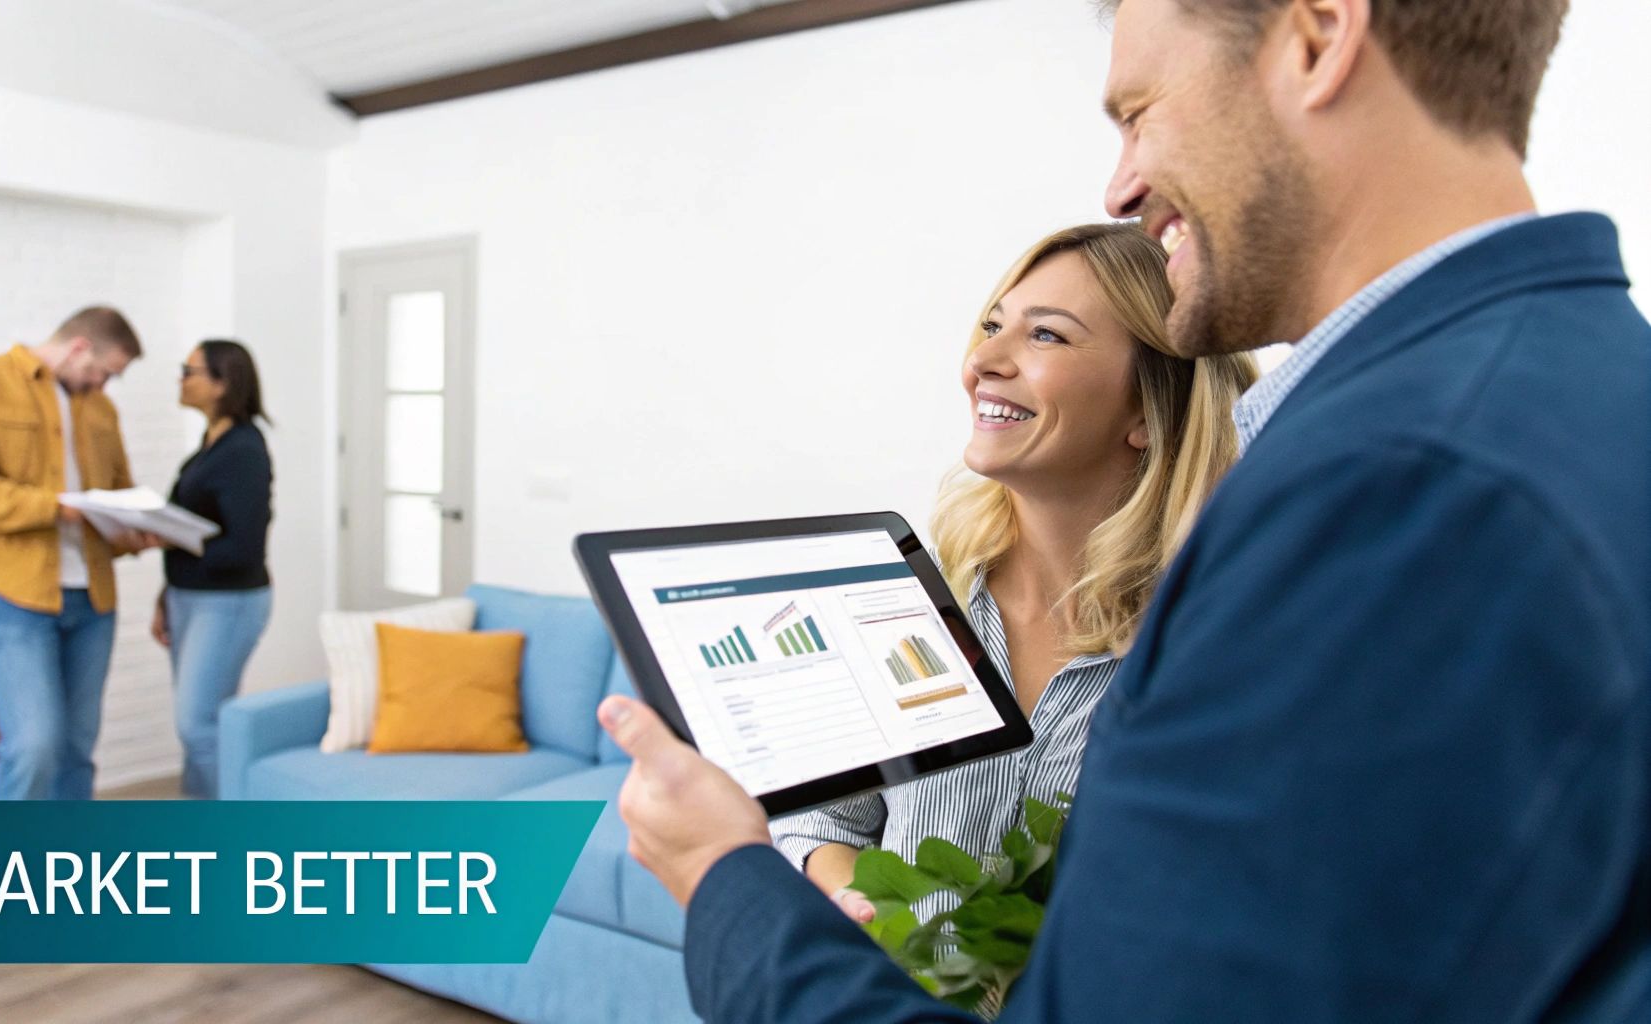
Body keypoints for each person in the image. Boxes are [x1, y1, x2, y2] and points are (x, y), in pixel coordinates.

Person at [600, 0, 1650, 1020]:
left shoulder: (1394, 492)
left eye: (1139, 111)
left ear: (1319, 38)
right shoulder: (1580, 392)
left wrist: (721, 873)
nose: (1121, 185)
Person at [772, 223, 1254, 928]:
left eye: (1046, 335)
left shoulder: (1223, 646)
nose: (983, 361)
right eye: (993, 327)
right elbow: (823, 820)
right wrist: (884, 933)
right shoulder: (910, 602)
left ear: (1150, 411)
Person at [0, 305, 158, 800]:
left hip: (93, 600)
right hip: (15, 596)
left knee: (77, 747)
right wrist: (56, 507)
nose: (103, 385)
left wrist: (138, 528)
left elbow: (118, 491)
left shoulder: (101, 410)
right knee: (33, 746)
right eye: (103, 372)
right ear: (79, 347)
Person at [150, 340, 274, 799]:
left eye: (190, 371)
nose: (181, 379)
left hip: (228, 601)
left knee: (198, 725)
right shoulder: (210, 445)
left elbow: (244, 548)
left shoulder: (244, 450)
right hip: (188, 596)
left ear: (222, 383)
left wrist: (170, 538)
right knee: (200, 726)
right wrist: (166, 595)